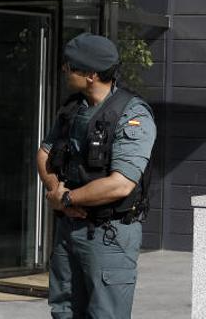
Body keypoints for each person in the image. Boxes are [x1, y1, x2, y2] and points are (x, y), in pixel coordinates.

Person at [36, 33, 156, 319]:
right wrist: (57, 192)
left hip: (109, 235)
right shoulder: (74, 107)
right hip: (70, 229)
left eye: (70, 66)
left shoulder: (132, 114)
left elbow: (120, 184)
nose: (64, 69)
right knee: (63, 309)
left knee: (106, 313)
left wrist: (66, 198)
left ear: (90, 75)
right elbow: (44, 154)